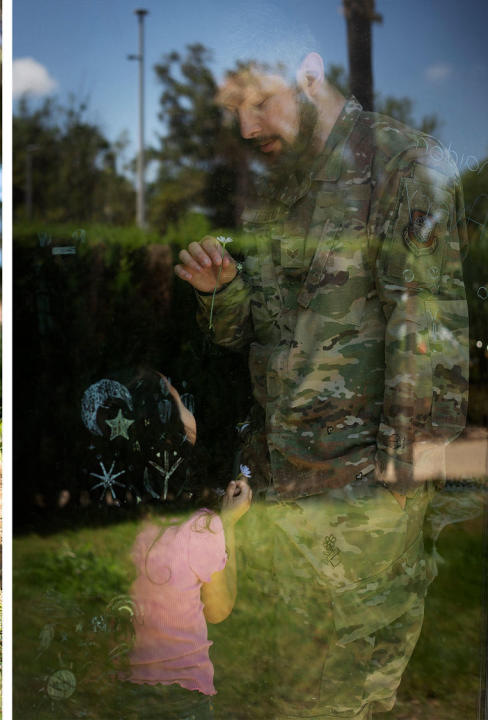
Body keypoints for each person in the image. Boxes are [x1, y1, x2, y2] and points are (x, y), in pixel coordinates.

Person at [173, 51, 468, 718]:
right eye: (234, 113)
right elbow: (263, 334)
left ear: (309, 78)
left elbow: (431, 334)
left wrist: (396, 493)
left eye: (258, 103)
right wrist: (223, 293)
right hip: (280, 488)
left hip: (357, 500)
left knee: (335, 693)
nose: (247, 130)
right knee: (287, 690)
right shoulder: (277, 186)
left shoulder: (401, 164)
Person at [121, 472, 252, 720]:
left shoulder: (112, 522)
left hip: (118, 690)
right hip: (183, 696)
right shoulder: (201, 526)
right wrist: (227, 525)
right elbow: (218, 610)